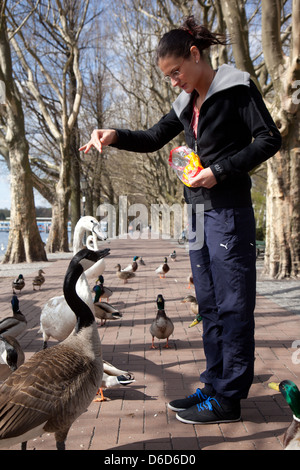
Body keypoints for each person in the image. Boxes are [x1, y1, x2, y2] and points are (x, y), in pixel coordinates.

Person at [79, 16, 281, 425]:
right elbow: (154, 138)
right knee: (207, 304)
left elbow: (269, 139)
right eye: (168, 77)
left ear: (195, 55)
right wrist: (112, 134)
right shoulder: (185, 103)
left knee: (232, 305)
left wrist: (220, 171)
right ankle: (213, 385)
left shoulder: (236, 90)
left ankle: (229, 399)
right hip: (195, 214)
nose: (174, 81)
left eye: (176, 72)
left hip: (228, 212)